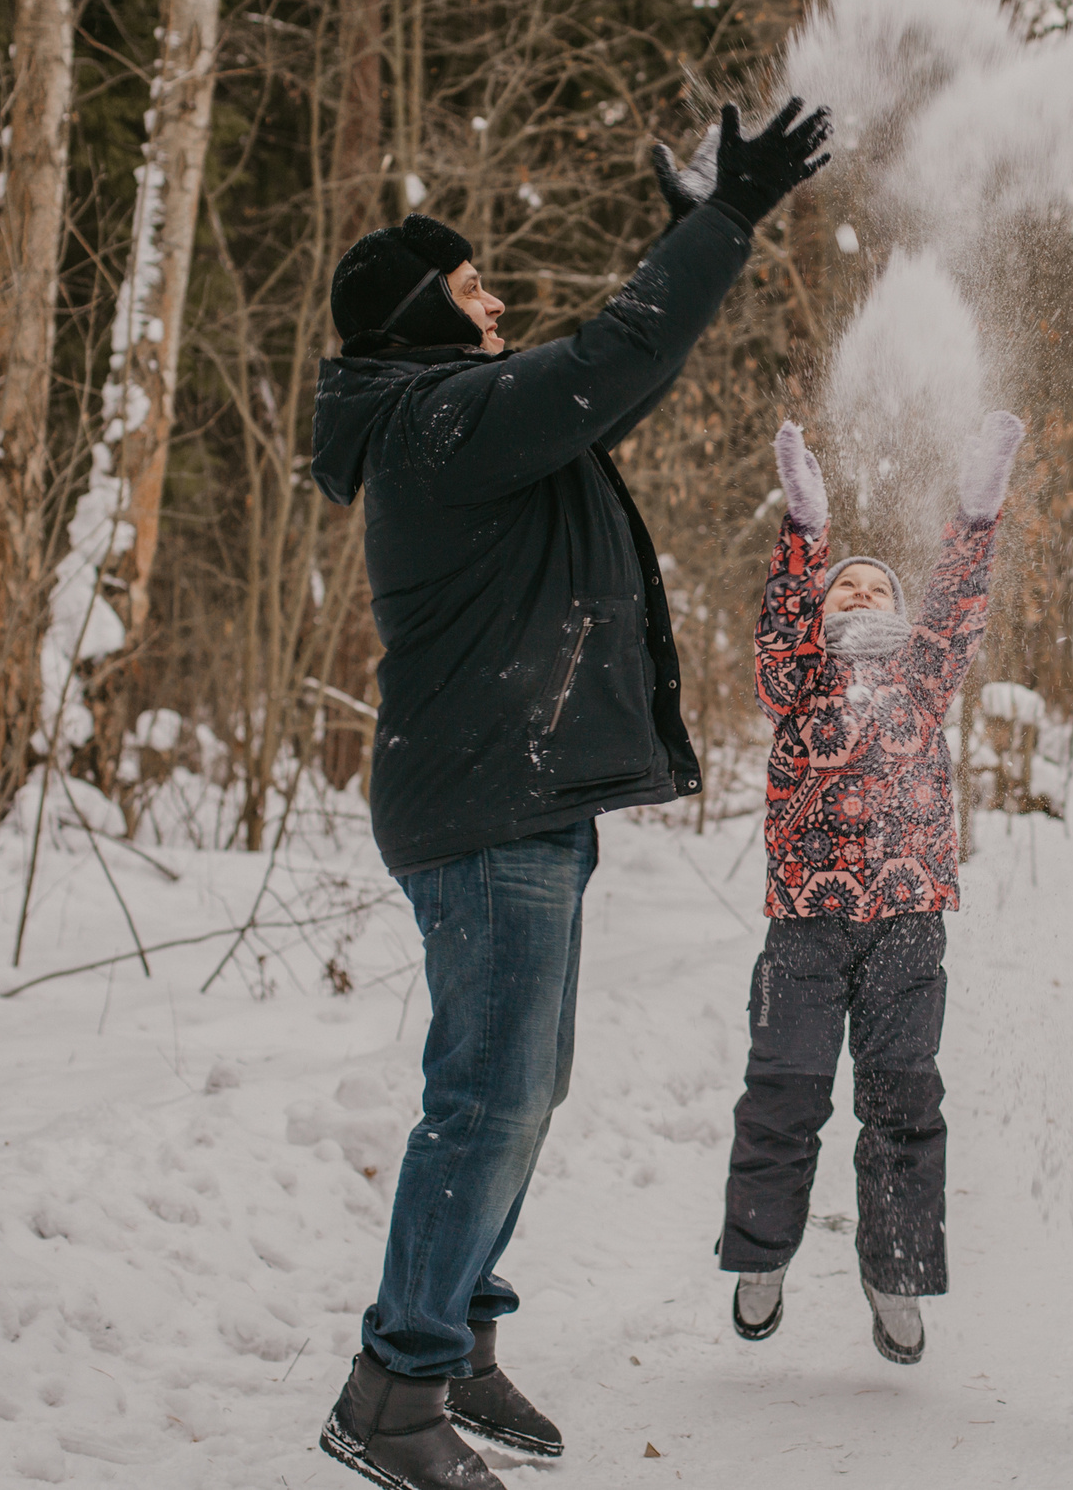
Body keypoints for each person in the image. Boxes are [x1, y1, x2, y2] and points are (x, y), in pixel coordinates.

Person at [307, 100, 830, 1490]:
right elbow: (610, 359)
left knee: (519, 1084)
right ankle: (396, 1385)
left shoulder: (457, 420)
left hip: (511, 798)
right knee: (489, 1092)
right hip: (484, 804)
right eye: (474, 286)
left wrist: (685, 239)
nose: (497, 302)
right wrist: (723, 222)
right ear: (423, 311)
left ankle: (458, 1338)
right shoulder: (434, 421)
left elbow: (610, 377)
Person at [717, 410, 1024, 1365]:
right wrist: (804, 534)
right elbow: (779, 621)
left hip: (907, 927)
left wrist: (977, 517)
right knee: (782, 1096)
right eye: (843, 582)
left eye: (873, 583)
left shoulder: (923, 675)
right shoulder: (796, 678)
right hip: (806, 926)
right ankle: (762, 1256)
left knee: (902, 1104)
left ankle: (895, 1273)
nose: (859, 590)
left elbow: (958, 606)